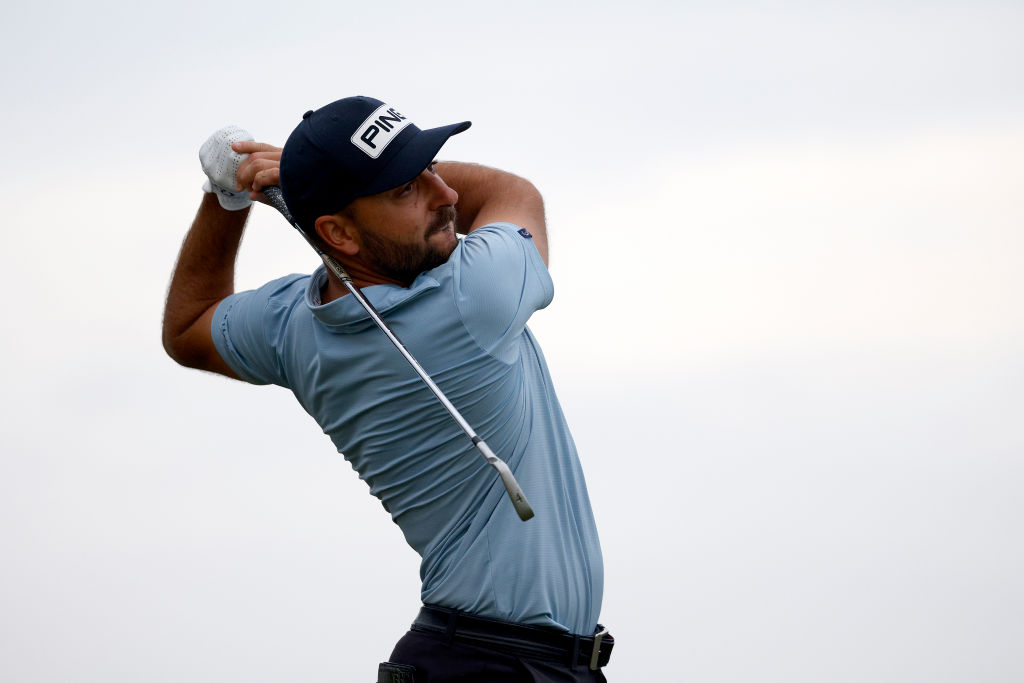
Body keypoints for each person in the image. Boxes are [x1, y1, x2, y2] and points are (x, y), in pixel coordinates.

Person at [162, 96, 611, 682]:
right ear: (336, 232)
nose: (445, 194)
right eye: (405, 189)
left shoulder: (289, 325)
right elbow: (509, 190)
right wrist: (288, 181)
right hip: (493, 665)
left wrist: (225, 196)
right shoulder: (476, 297)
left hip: (479, 658)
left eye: (430, 168)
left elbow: (187, 326)